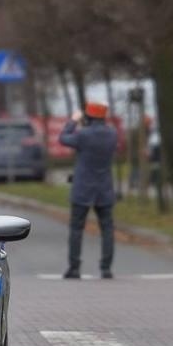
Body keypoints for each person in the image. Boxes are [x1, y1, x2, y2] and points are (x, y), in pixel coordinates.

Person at [59, 102, 118, 279]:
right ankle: (106, 268)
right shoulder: (112, 134)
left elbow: (63, 138)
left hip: (83, 188)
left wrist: (73, 121)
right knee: (107, 228)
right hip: (104, 188)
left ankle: (74, 268)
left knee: (77, 228)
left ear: (88, 117)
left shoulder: (83, 135)